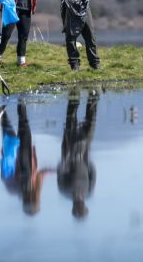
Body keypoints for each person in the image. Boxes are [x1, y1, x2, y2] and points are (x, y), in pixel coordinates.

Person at [0, 99, 53, 215]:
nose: (30, 198)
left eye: (29, 201)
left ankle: (6, 102)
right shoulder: (35, 187)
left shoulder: (15, 188)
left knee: (9, 121)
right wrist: (55, 170)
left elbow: (7, 169)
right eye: (33, 200)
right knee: (20, 122)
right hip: (19, 154)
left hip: (13, 154)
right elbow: (41, 174)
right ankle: (18, 100)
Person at [57, 89, 98, 219]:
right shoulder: (88, 192)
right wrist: (87, 160)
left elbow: (60, 171)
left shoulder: (64, 191)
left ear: (73, 208)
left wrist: (67, 160)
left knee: (71, 119)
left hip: (69, 151)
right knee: (91, 120)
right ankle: (93, 94)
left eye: (79, 208)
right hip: (85, 151)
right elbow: (93, 173)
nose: (80, 206)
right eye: (82, 208)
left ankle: (74, 94)